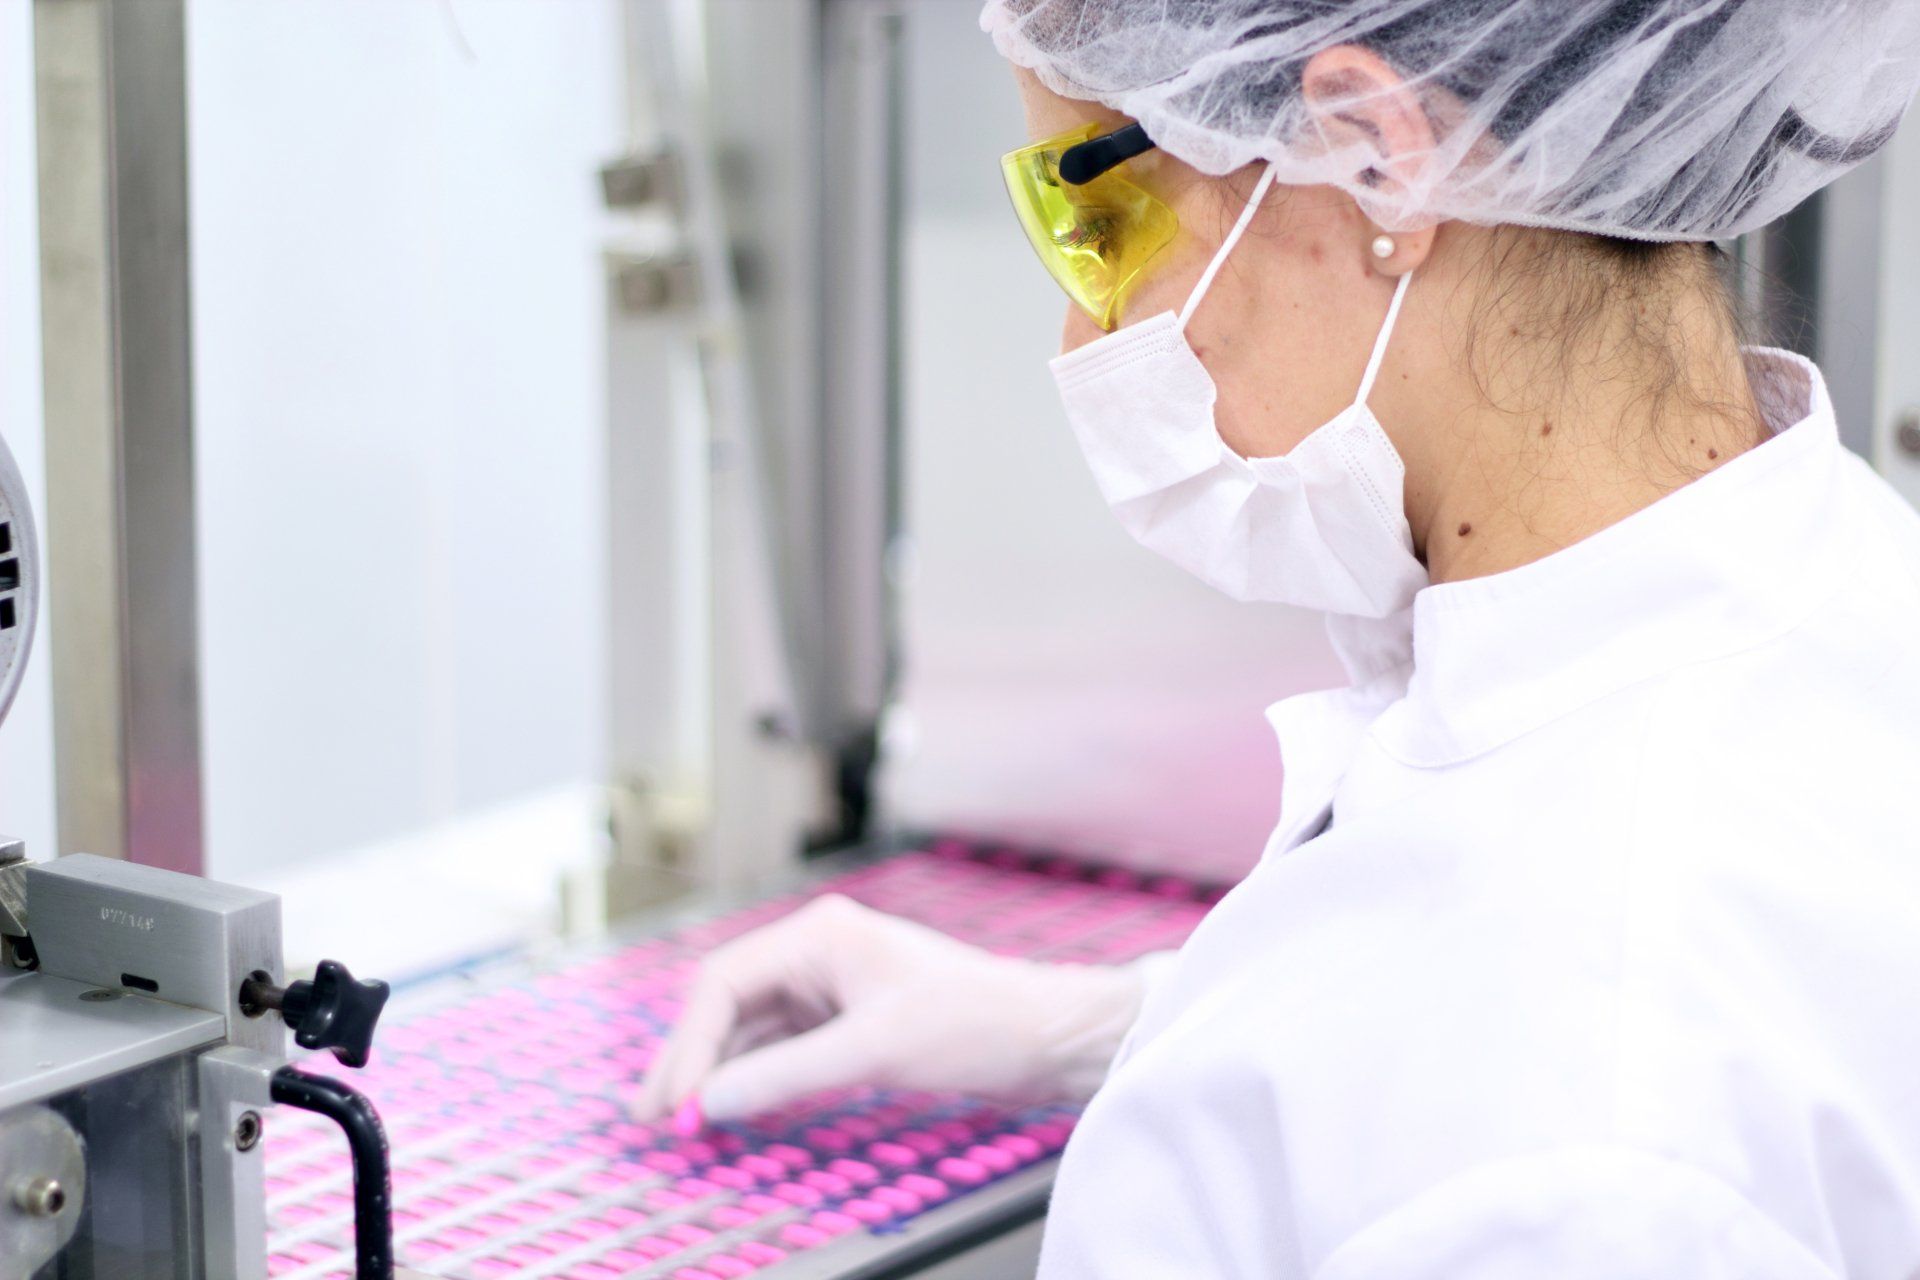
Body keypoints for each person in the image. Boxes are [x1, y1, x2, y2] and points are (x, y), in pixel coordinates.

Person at [637, 2, 1920, 1274]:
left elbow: (1523, 1094)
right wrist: (1102, 1027)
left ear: (1378, 157)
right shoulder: (1826, 569)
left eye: (1092, 226)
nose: (1084, 334)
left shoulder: (1578, 1156)